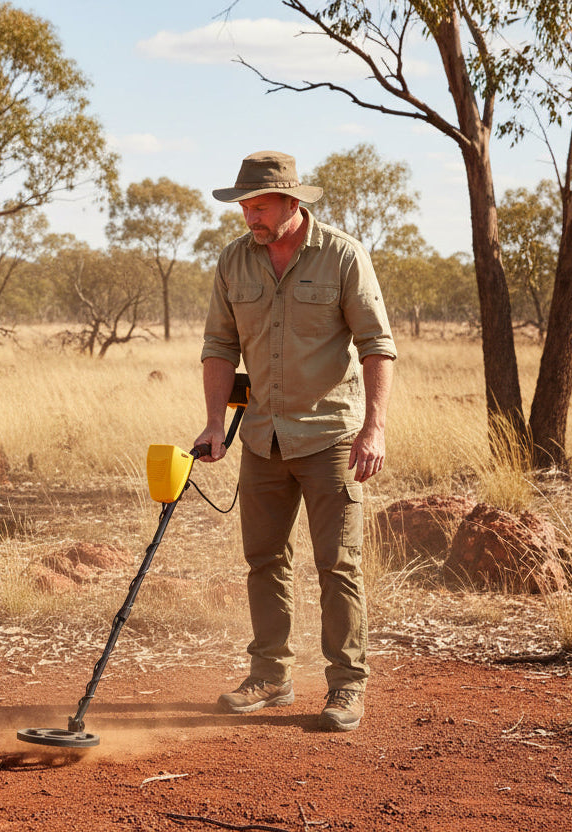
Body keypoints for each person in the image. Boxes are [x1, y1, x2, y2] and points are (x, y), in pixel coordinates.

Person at [194, 150, 396, 732]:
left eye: (259, 205)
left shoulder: (342, 256)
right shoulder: (234, 261)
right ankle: (270, 675)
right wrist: (214, 423)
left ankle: (346, 686)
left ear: (293, 202)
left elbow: (377, 346)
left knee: (338, 564)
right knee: (264, 560)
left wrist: (373, 427)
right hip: (261, 436)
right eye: (244, 206)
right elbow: (218, 347)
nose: (249, 216)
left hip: (331, 435)